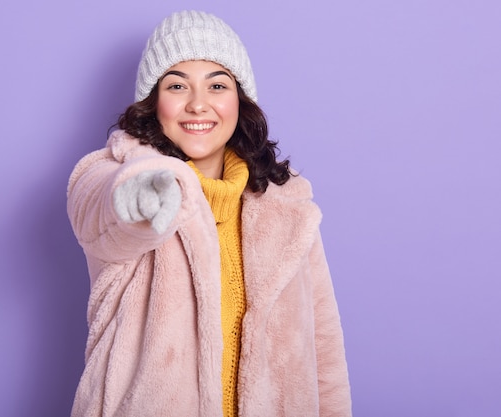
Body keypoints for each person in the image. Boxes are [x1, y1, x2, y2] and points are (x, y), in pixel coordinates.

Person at [66, 10, 351, 417]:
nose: (198, 104)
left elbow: (323, 352)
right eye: (177, 85)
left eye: (217, 85)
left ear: (239, 100)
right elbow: (99, 206)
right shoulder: (117, 177)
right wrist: (143, 190)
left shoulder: (289, 208)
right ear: (153, 102)